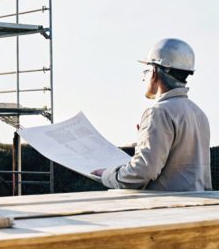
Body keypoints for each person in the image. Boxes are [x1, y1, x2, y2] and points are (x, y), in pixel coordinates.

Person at [90, 38, 211, 191]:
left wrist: (107, 174)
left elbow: (142, 172)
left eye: (146, 71)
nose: (143, 78)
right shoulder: (199, 114)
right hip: (199, 207)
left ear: (154, 73)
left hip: (167, 209)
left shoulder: (159, 113)